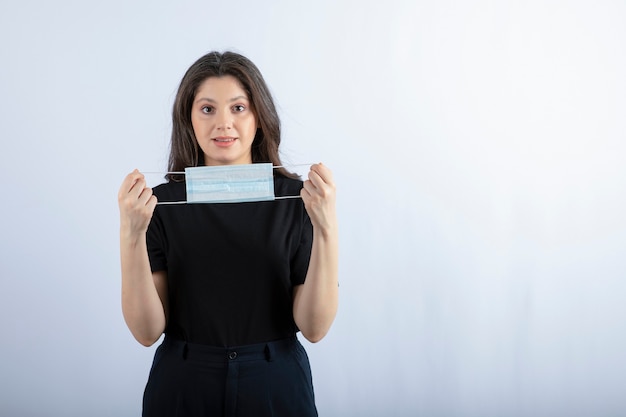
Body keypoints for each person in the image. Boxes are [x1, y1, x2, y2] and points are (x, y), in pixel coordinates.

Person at [117, 51, 338, 417]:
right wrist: (130, 234)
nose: (223, 123)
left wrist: (326, 226)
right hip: (184, 382)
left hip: (275, 381)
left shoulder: (298, 201)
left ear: (259, 117)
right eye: (207, 109)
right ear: (188, 118)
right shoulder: (155, 206)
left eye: (238, 108)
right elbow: (146, 332)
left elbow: (314, 329)